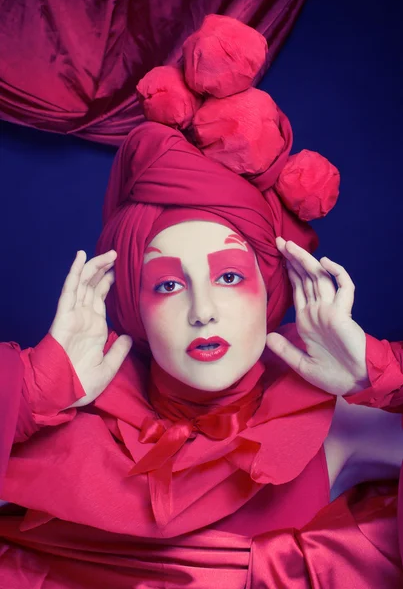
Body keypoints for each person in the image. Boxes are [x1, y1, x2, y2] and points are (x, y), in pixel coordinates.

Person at [0, 118, 402, 587]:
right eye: (168, 284)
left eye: (229, 277)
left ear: (269, 290)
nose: (203, 311)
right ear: (134, 306)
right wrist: (26, 392)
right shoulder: (62, 422)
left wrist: (378, 375)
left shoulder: (329, 427)